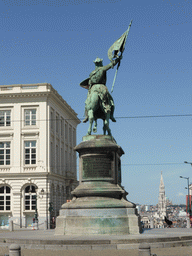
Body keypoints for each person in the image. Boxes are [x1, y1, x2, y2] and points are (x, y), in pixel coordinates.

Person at [82, 56, 121, 123]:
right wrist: (118, 59)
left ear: (95, 64)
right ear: (101, 63)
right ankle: (110, 113)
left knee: (87, 101)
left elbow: (89, 83)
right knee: (111, 101)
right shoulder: (102, 69)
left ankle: (86, 116)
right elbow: (111, 64)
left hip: (93, 88)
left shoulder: (91, 73)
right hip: (101, 87)